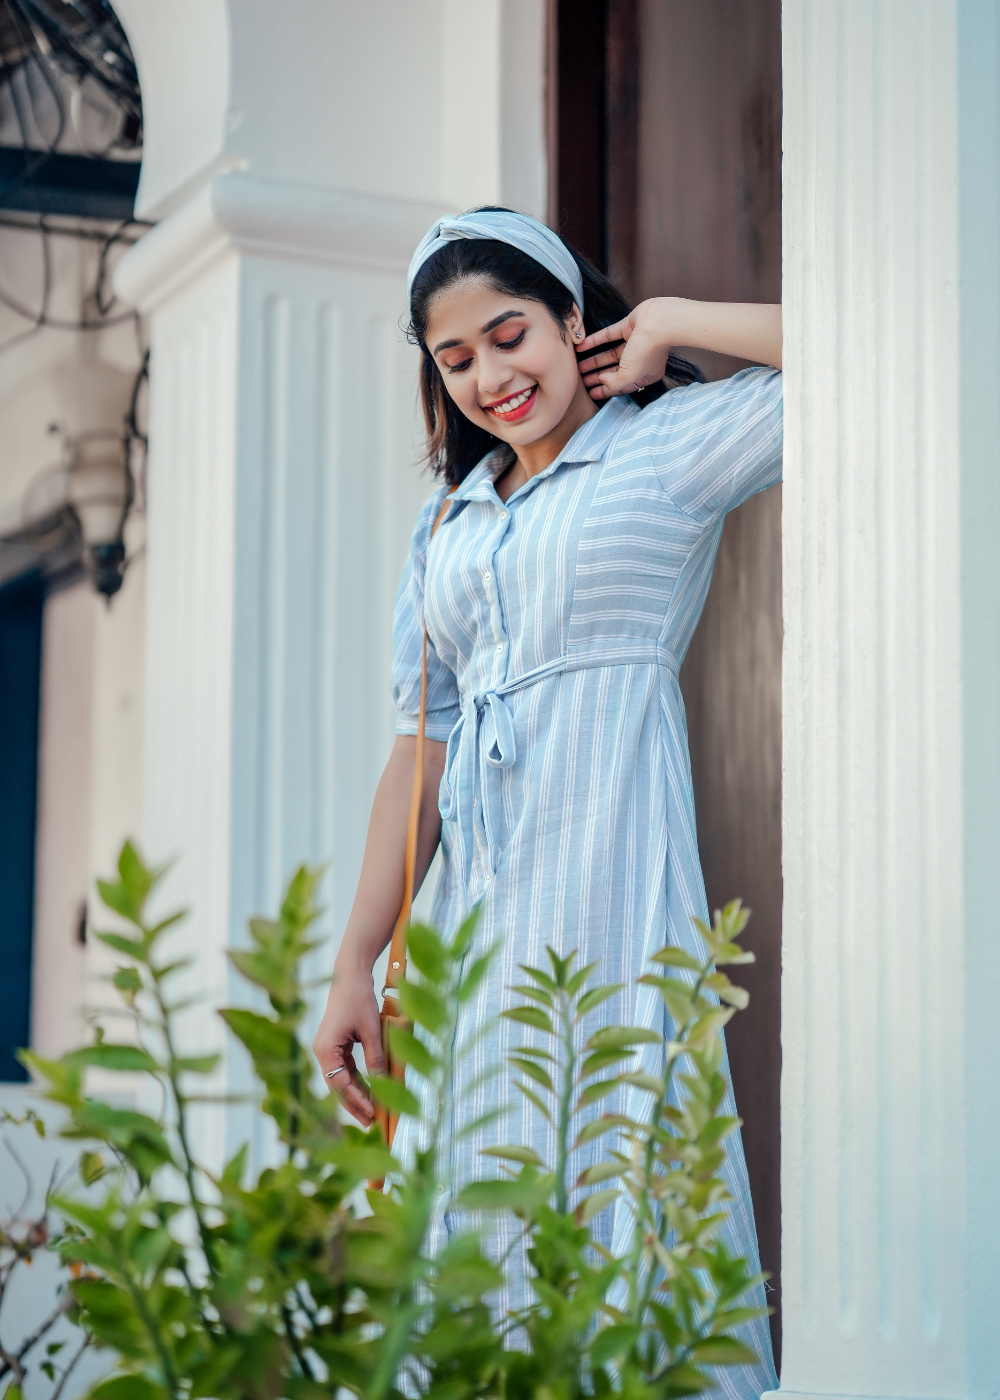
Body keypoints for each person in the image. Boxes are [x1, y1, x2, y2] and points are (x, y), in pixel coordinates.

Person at [313, 207, 782, 1396]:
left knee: (619, 1156)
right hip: (473, 924)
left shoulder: (664, 447)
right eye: (453, 357)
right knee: (468, 1206)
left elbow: (882, 341)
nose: (487, 375)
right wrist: (353, 961)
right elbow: (420, 748)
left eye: (509, 333)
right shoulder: (446, 527)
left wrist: (673, 323)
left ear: (574, 319)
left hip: (612, 877)